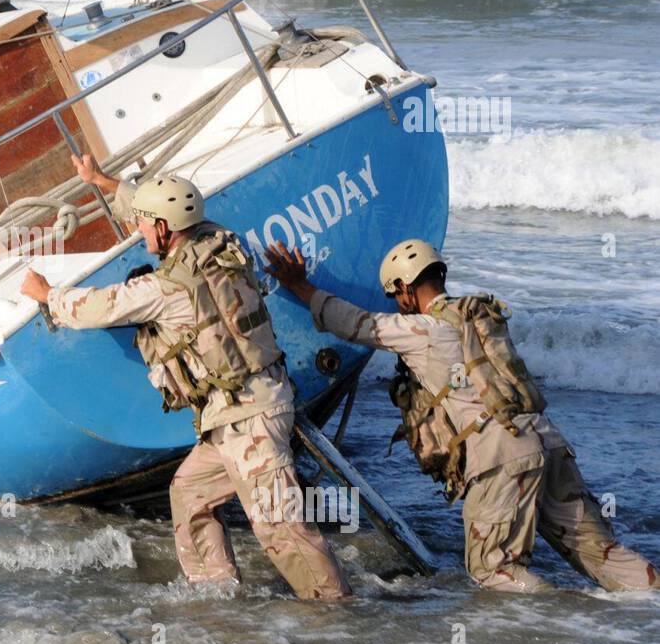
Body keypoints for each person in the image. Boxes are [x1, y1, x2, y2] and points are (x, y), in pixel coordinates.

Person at [19, 154, 350, 599]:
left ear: (163, 228)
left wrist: (47, 295)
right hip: (239, 413)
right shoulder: (224, 244)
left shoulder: (166, 290)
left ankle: (338, 616)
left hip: (249, 421)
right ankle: (216, 592)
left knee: (283, 530)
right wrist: (102, 182)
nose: (138, 231)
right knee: (189, 495)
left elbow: (99, 307)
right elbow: (158, 207)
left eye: (144, 224)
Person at [264, 238, 657, 592]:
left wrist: (301, 285)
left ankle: (560, 625)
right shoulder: (477, 316)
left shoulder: (425, 330)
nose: (396, 303)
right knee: (603, 554)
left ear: (405, 288)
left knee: (494, 572)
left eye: (394, 294)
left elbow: (356, 325)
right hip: (547, 440)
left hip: (503, 455)